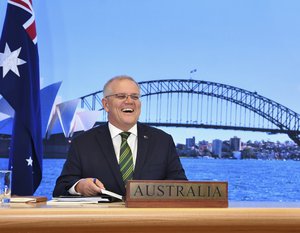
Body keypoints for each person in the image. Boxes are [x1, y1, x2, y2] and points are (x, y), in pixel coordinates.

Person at [53, 75, 187, 197]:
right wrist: (79, 186)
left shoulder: (163, 141)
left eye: (135, 97)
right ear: (106, 104)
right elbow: (61, 188)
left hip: (149, 221)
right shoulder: (83, 143)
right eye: (121, 96)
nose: (129, 101)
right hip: (102, 221)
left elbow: (182, 188)